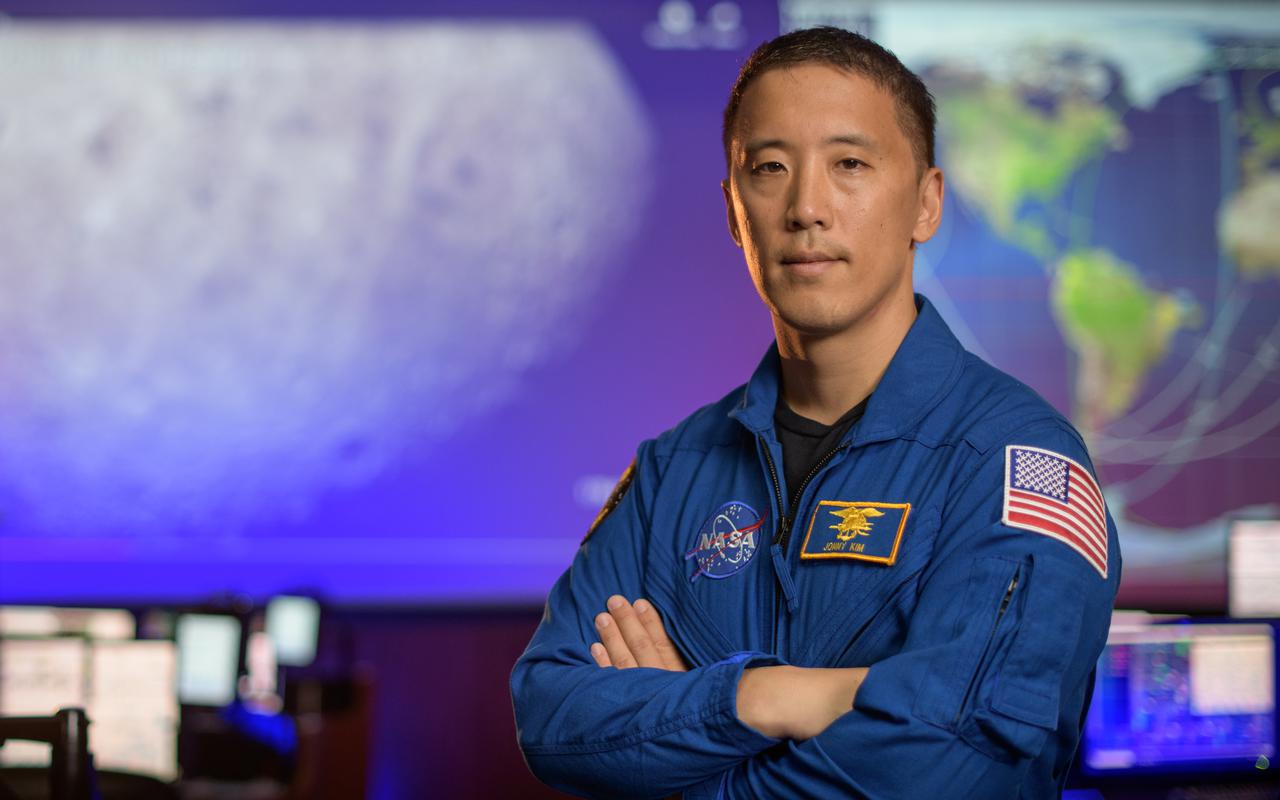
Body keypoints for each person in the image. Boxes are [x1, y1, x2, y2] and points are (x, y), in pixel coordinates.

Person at [511, 25, 1120, 799]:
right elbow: (551, 717)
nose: (806, 207)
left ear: (926, 203)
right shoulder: (674, 471)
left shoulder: (1017, 462)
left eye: (850, 164)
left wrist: (686, 751)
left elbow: (953, 768)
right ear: (735, 211)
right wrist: (764, 695)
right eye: (769, 168)